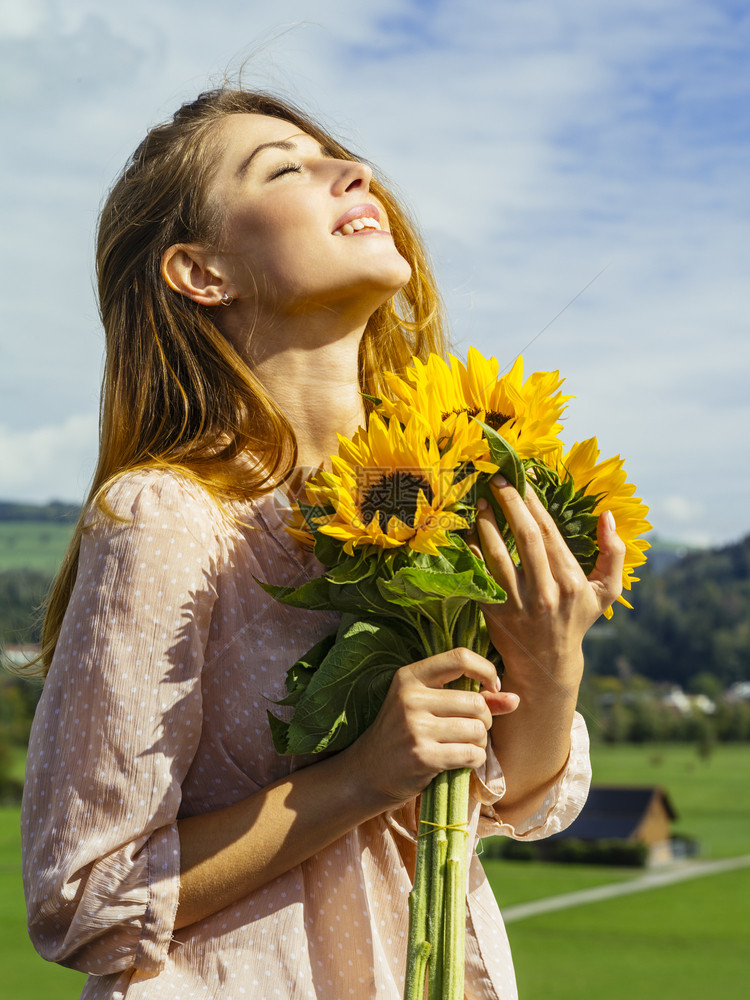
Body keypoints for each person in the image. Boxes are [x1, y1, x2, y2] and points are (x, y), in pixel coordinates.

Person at [21, 88, 625, 1000]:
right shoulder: (167, 518)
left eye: (339, 156)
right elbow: (84, 897)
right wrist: (358, 779)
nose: (357, 172)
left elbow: (508, 801)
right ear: (201, 272)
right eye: (286, 168)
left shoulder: (451, 497)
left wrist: (550, 664)